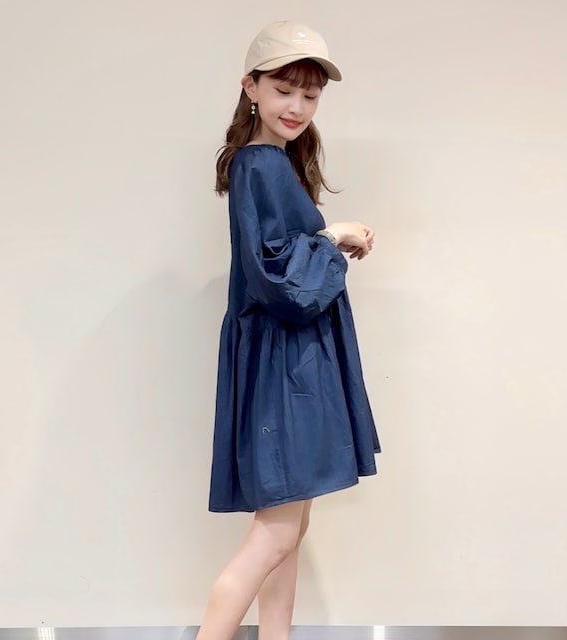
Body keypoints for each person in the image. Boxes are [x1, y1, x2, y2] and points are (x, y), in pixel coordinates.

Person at [198, 20, 381, 640]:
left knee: (289, 528)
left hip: (284, 357)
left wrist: (326, 241)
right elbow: (278, 279)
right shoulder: (261, 164)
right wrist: (334, 235)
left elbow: (279, 262)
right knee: (276, 533)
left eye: (310, 93)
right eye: (284, 89)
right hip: (286, 362)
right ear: (250, 87)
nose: (297, 106)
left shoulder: (271, 163)